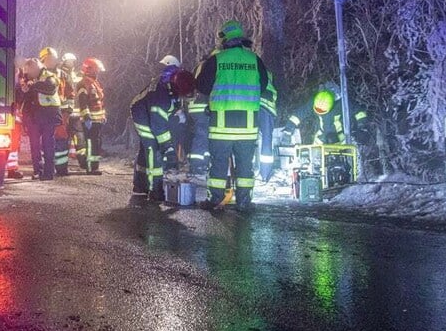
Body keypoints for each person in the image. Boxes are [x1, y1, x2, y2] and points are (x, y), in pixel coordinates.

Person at [195, 20, 277, 212]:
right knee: (245, 166)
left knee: (218, 164)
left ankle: (215, 200)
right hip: (247, 126)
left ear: (224, 39)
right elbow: (263, 85)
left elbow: (202, 86)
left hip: (221, 126)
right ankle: (244, 202)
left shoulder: (217, 60)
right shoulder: (254, 60)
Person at [131, 69, 197, 201]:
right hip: (141, 114)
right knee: (152, 147)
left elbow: (168, 114)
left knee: (146, 149)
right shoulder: (161, 97)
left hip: (151, 113)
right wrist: (168, 147)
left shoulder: (173, 87)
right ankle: (154, 189)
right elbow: (158, 126)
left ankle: (140, 185)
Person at [19, 57, 61, 181]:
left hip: (48, 116)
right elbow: (25, 100)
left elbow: (50, 88)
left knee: (48, 144)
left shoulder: (49, 76)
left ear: (35, 68)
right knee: (35, 146)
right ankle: (38, 171)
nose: (28, 74)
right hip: (34, 117)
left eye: (29, 71)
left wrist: (33, 86)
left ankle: (48, 172)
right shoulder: (30, 80)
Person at [284, 82, 367, 145]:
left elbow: (359, 112)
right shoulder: (315, 101)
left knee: (345, 159)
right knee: (315, 159)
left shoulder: (342, 104)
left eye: (323, 111)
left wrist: (362, 127)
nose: (320, 112)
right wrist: (288, 130)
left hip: (342, 138)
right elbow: (299, 114)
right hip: (321, 137)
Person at [39, 46, 70, 176]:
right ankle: (45, 168)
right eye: (48, 59)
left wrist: (68, 110)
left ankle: (62, 168)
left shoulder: (62, 74)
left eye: (53, 59)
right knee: (46, 140)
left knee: (61, 139)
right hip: (44, 112)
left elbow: (70, 92)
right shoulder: (39, 74)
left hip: (61, 112)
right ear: (43, 60)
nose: (51, 61)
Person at [76, 58, 106, 174]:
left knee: (96, 144)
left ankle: (94, 166)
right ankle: (91, 167)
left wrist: (103, 116)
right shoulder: (84, 84)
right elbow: (83, 102)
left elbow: (99, 102)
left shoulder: (94, 83)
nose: (97, 72)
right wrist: (86, 117)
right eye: (96, 70)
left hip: (97, 120)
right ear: (89, 70)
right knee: (91, 143)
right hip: (90, 120)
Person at [60, 52, 84, 167]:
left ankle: (83, 162)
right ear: (64, 62)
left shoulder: (74, 74)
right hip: (64, 111)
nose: (72, 63)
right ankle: (61, 165)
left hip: (75, 111)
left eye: (73, 61)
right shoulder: (61, 74)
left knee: (79, 138)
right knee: (63, 137)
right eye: (70, 61)